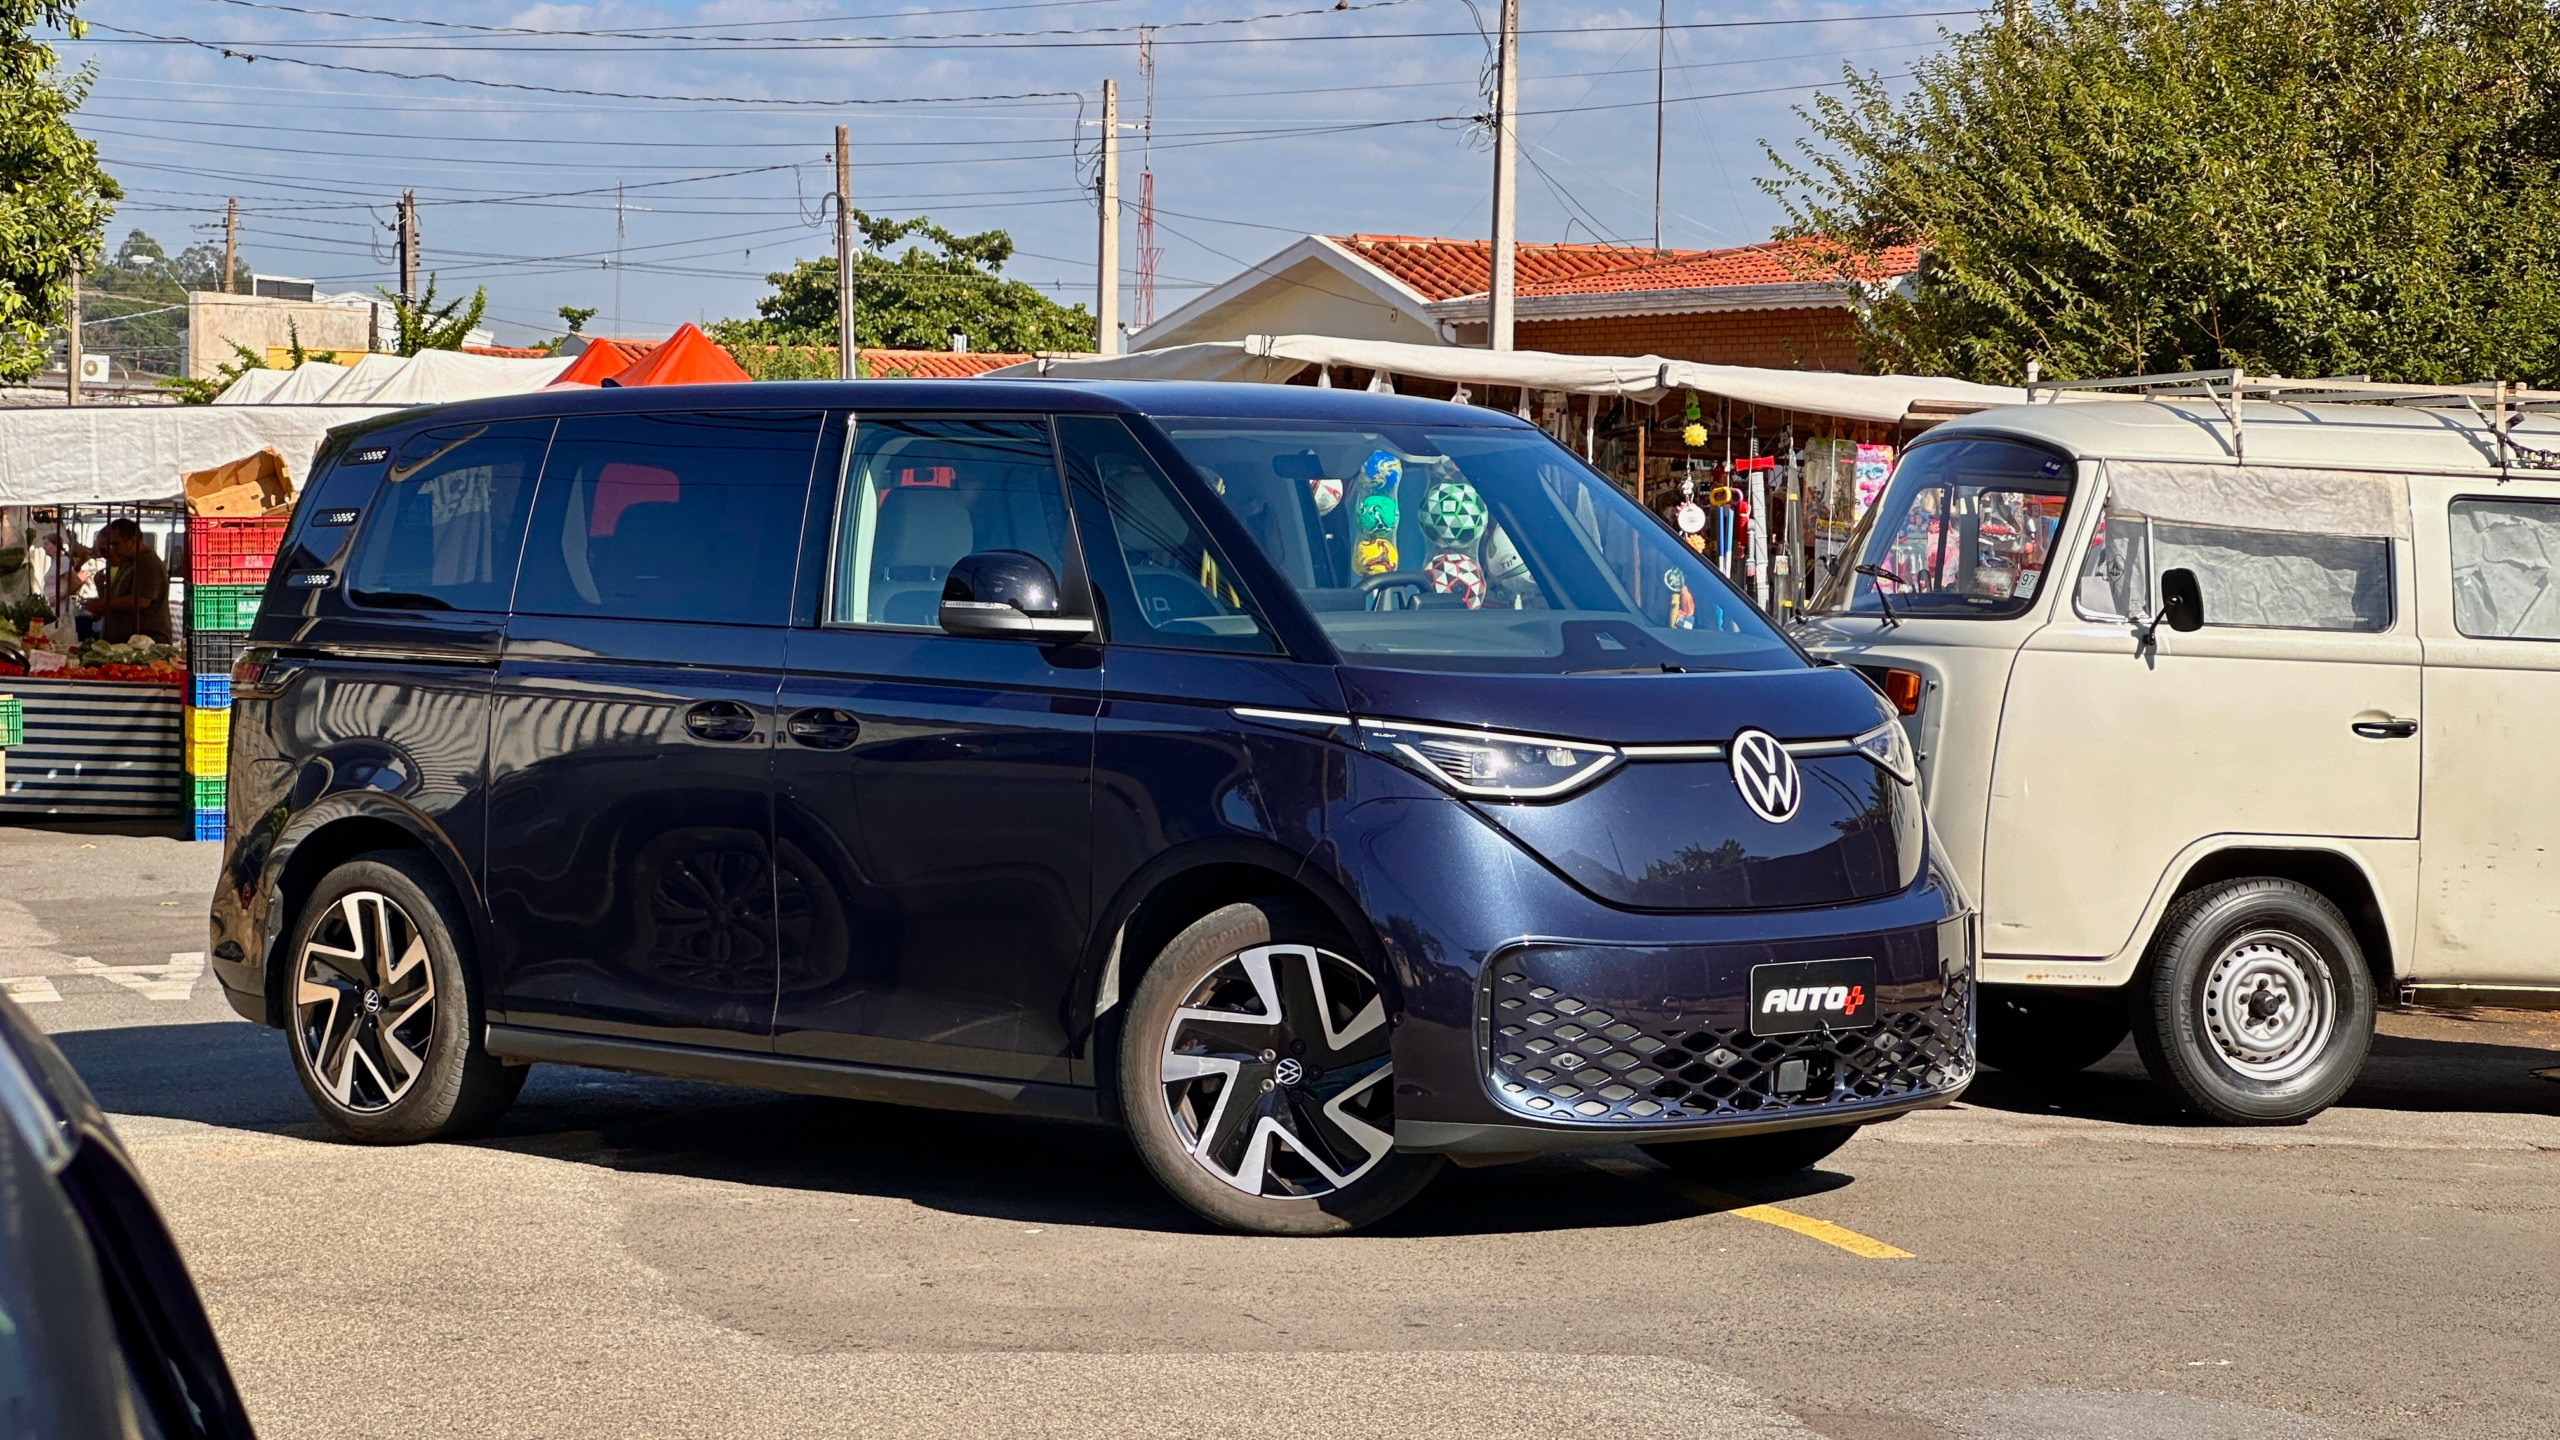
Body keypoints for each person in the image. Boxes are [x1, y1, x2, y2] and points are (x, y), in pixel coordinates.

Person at [82, 519, 172, 644]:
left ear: (133, 541)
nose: (113, 549)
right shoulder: (128, 561)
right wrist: (101, 591)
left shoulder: (147, 562)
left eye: (116, 544)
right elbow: (117, 598)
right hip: (124, 643)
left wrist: (102, 603)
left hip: (143, 644)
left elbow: (142, 600)